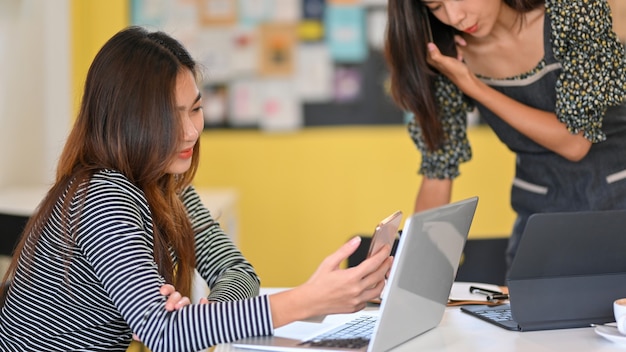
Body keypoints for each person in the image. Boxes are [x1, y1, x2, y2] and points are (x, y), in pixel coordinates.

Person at [0, 26, 393, 352]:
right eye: (170, 117)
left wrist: (206, 316)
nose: (190, 132)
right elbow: (164, 334)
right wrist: (308, 300)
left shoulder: (165, 186)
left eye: (196, 108)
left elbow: (235, 270)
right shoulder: (103, 195)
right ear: (126, 121)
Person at [384, 0, 626, 268]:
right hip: (540, 226)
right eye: (436, 6)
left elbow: (575, 141)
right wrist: (412, 274)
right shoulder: (445, 56)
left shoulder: (575, 10)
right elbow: (438, 171)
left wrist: (473, 85)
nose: (456, 16)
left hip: (619, 209)